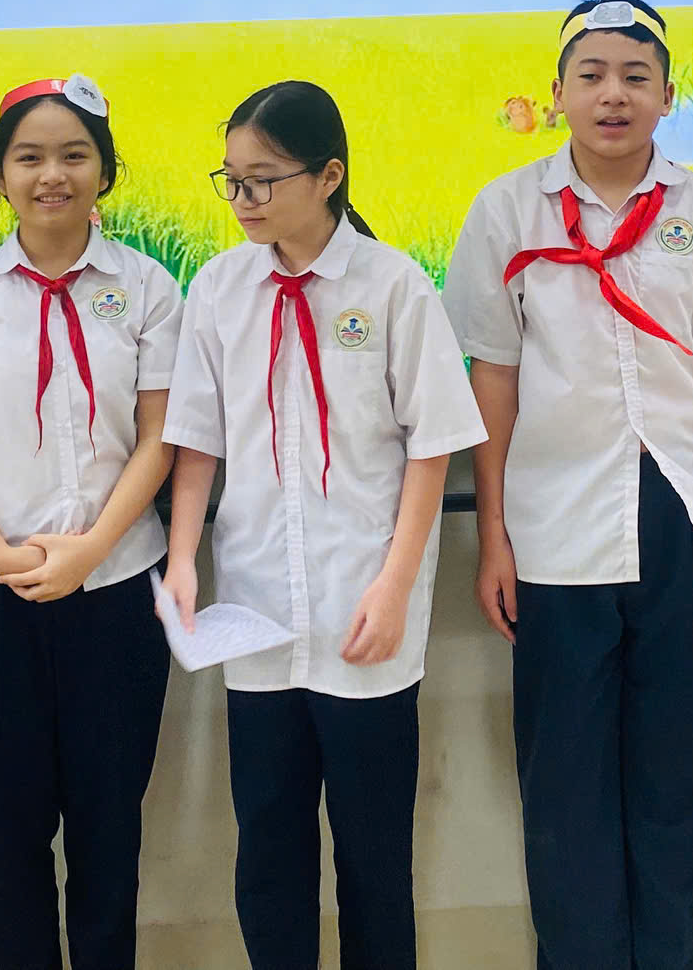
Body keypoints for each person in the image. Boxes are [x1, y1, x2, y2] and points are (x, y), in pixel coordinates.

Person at [446, 0, 693, 970]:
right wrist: (493, 537)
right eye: (591, 75)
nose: (613, 95)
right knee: (565, 796)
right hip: (552, 529)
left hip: (683, 526)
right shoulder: (505, 210)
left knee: (681, 791)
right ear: (557, 94)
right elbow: (493, 380)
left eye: (636, 76)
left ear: (669, 96)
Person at [161, 81, 486, 970]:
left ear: (329, 175)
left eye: (263, 180)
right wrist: (183, 558)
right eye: (231, 180)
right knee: (268, 850)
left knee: (374, 858)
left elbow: (433, 447)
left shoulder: (393, 285)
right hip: (257, 614)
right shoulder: (220, 288)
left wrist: (396, 586)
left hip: (363, 611)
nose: (242, 200)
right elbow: (196, 441)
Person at [0, 75, 178, 970]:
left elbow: (159, 437)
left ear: (106, 170)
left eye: (74, 155)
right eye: (29, 157)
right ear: (0, 176)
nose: (51, 175)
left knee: (110, 835)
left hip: (116, 593)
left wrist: (91, 551)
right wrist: (2, 556)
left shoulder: (147, 288)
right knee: (6, 837)